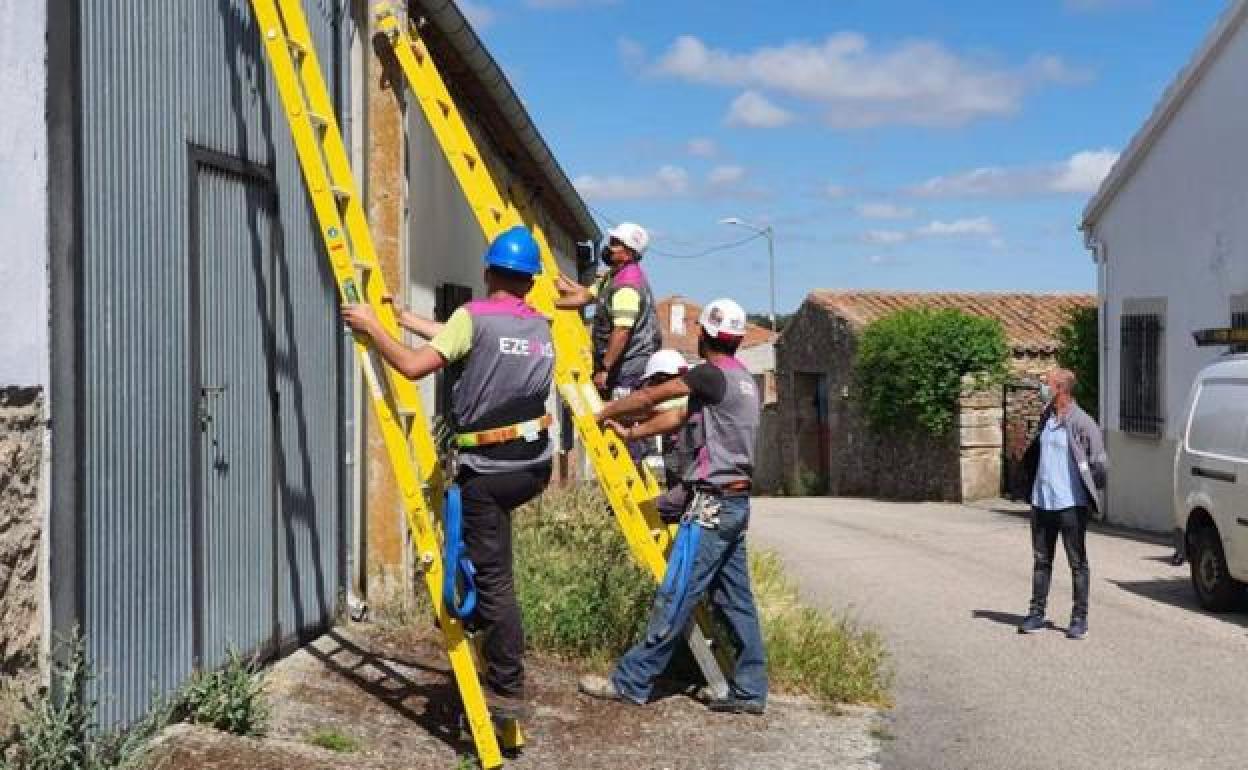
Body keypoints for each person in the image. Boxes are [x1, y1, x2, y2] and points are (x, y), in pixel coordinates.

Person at [341, 226, 554, 718]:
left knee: (496, 579)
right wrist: (404, 318)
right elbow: (462, 340)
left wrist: (374, 327)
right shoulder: (537, 325)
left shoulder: (473, 317)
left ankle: (507, 688)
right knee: (491, 559)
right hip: (532, 465)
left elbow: (417, 367)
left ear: (487, 272)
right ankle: (481, 615)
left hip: (490, 467)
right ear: (529, 281)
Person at [577, 299, 768, 714]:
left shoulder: (708, 374)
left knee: (676, 593)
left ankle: (632, 681)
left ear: (705, 336)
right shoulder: (742, 380)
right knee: (735, 600)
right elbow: (676, 416)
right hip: (735, 503)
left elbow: (657, 395)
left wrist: (606, 410)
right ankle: (751, 690)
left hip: (712, 505)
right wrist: (630, 432)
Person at [1017, 368, 1107, 640]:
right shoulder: (1046, 418)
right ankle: (1036, 614)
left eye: (1047, 384)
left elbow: (1100, 464)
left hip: (1071, 505)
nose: (1043, 388)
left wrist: (1090, 491)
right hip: (1042, 503)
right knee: (1041, 561)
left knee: (1077, 564)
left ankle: (1079, 619)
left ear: (1061, 389)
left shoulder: (1082, 422)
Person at [555, 222, 661, 401]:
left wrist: (604, 369)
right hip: (619, 366)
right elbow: (585, 296)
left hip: (626, 370)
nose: (608, 247)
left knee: (615, 419)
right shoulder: (613, 276)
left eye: (614, 243)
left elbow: (622, 331)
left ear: (628, 253)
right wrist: (554, 301)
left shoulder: (626, 286)